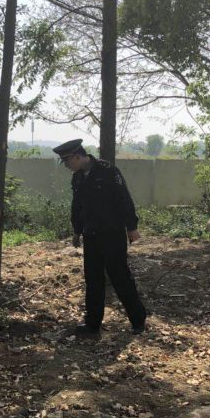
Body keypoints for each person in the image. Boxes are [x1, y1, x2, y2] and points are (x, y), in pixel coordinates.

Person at [53, 139, 147, 337]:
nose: (67, 166)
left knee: (120, 278)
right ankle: (92, 325)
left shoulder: (108, 171)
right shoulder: (78, 178)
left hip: (112, 234)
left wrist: (132, 227)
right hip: (91, 235)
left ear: (77, 156)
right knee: (93, 280)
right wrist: (77, 230)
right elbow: (77, 206)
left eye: (67, 161)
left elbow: (124, 199)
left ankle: (138, 321)